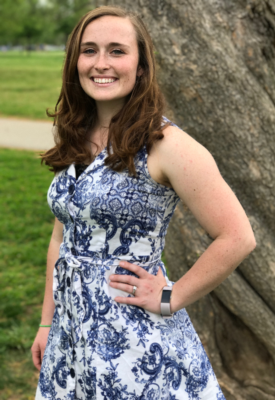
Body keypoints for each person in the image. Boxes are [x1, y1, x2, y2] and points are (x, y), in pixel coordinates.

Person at [31, 5, 256, 400]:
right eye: (89, 51)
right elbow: (60, 238)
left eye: (117, 51)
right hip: (71, 339)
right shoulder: (75, 135)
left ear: (141, 65)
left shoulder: (165, 144)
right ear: (74, 62)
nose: (101, 63)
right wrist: (47, 324)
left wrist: (172, 296)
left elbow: (237, 236)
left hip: (134, 343)